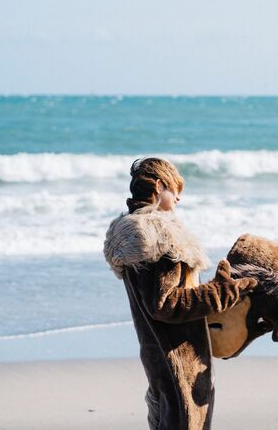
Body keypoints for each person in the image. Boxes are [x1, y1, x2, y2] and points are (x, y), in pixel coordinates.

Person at [104, 157, 257, 430]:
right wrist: (222, 293)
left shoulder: (131, 235)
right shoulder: (158, 237)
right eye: (176, 191)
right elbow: (166, 304)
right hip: (179, 363)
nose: (178, 199)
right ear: (160, 185)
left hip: (157, 359)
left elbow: (162, 298)